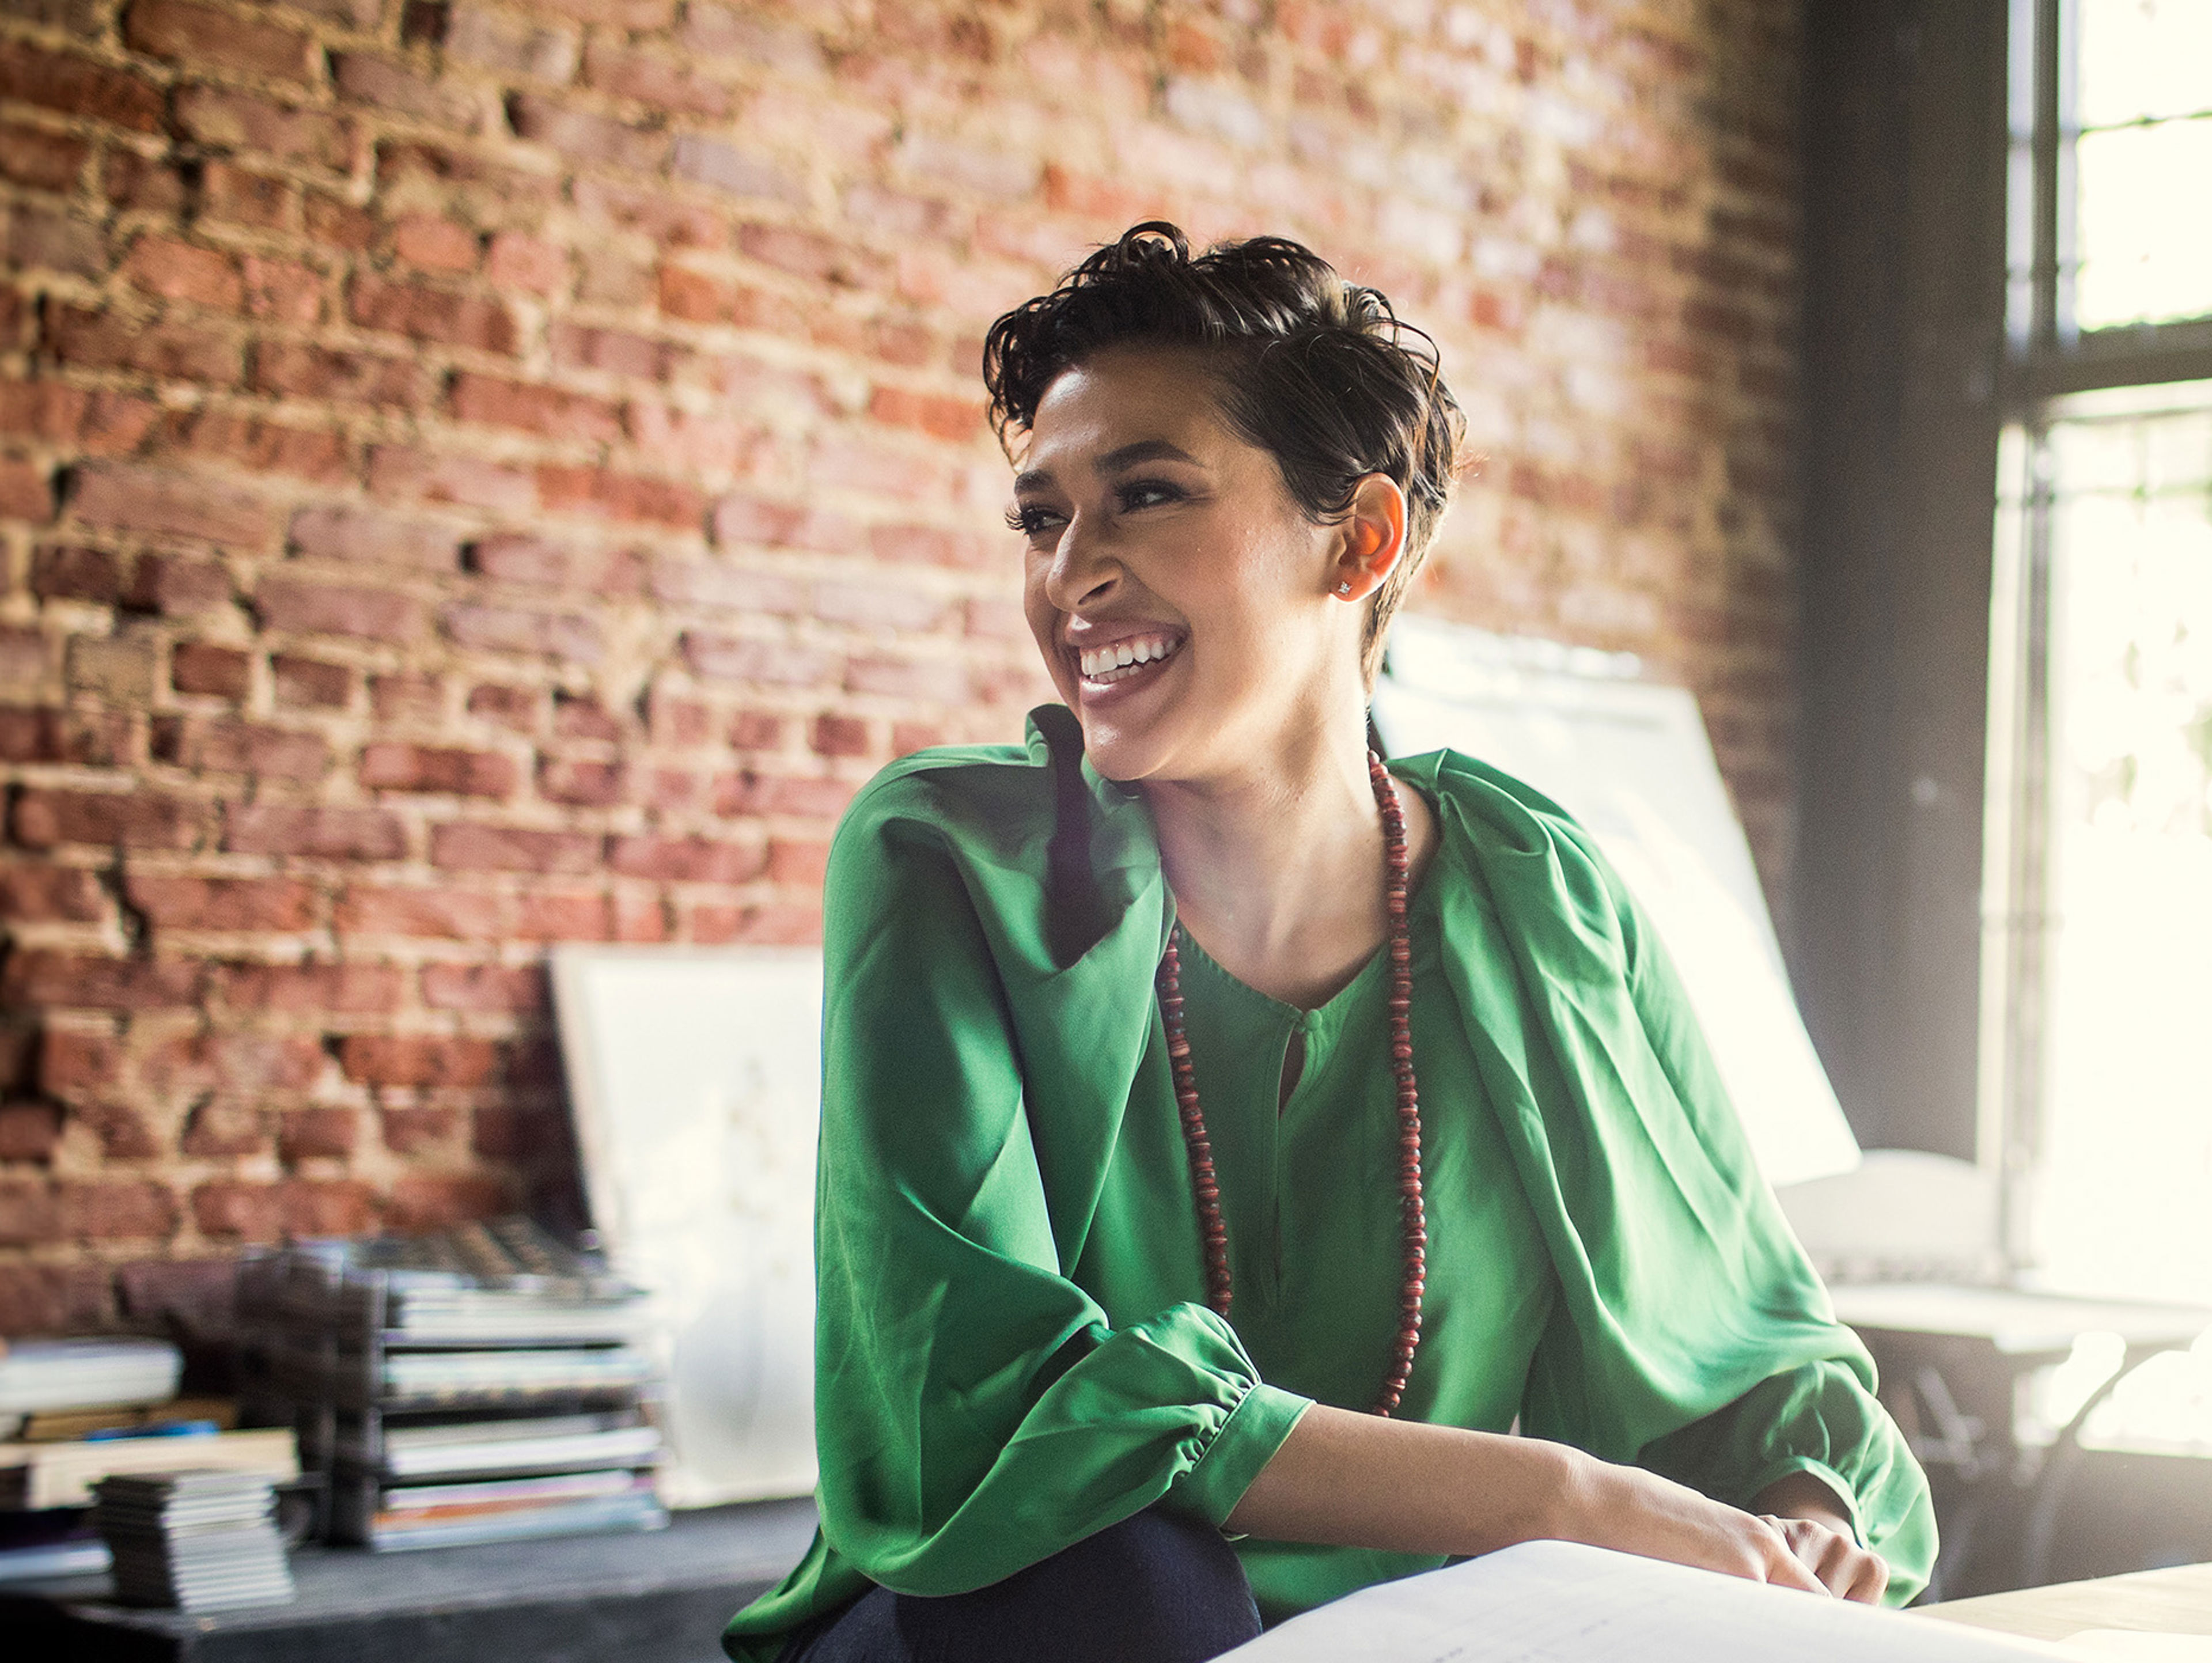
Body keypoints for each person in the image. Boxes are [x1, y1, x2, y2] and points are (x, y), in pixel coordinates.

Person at [724, 223, 1936, 1663]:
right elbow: (980, 1400)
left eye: (1147, 495)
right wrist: (1560, 1495)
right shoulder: (947, 862)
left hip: (1430, 1634)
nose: (1071, 576)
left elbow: (1748, 1348)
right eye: (1041, 520)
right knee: (1117, 1572)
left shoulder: (1535, 896)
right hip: (1034, 1621)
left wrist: (1795, 1521)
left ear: (1358, 540)